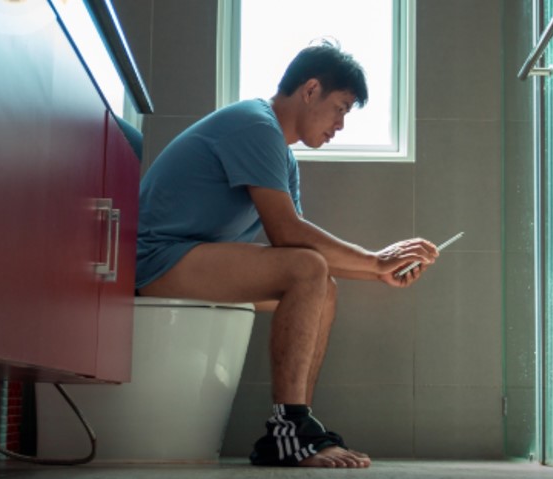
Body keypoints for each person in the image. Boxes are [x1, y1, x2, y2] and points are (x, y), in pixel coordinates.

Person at [135, 42, 438, 468]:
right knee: (307, 270)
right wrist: (374, 261)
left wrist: (379, 271)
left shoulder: (280, 153)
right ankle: (289, 429)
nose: (340, 125)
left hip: (188, 258)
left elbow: (297, 247)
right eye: (340, 108)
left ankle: (297, 425)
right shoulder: (254, 125)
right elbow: (286, 233)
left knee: (322, 286)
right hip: (154, 260)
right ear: (310, 90)